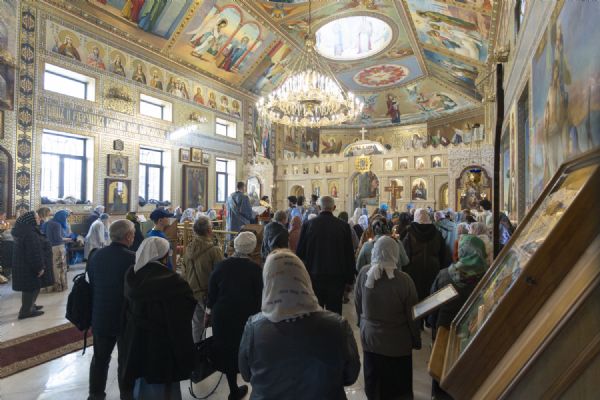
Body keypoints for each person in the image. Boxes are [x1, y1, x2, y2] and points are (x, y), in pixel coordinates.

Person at [239, 250, 361, 398]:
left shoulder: (254, 328)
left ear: (268, 282)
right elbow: (351, 376)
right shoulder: (337, 326)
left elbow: (246, 374)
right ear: (304, 278)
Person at [120, 237, 195, 400]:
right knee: (164, 386)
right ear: (164, 256)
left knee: (141, 378)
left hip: (136, 339)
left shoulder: (132, 275)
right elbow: (184, 313)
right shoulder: (173, 281)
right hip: (162, 343)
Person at [355, 237, 421, 400]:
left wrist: (363, 324)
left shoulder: (364, 274)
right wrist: (416, 339)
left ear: (375, 251)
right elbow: (412, 315)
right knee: (397, 389)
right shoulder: (404, 280)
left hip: (371, 339)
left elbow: (358, 303)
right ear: (395, 253)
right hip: (398, 343)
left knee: (374, 382)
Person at [429, 235, 489, 399]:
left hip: (444, 330)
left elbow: (433, 306)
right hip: (472, 332)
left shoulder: (445, 275)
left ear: (461, 252)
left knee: (441, 369)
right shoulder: (487, 277)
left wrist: (433, 327)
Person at [206, 232, 262, 400]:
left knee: (227, 351)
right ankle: (258, 391)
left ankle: (233, 390)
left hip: (222, 316)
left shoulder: (221, 266)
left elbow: (212, 293)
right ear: (252, 248)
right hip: (247, 317)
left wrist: (208, 313)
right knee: (249, 351)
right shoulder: (255, 269)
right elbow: (261, 297)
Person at [87, 220, 136, 400]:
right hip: (125, 317)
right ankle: (127, 395)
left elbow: (91, 283)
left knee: (100, 359)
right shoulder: (133, 258)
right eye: (133, 233)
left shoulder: (96, 255)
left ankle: (95, 395)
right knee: (126, 360)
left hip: (101, 314)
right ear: (128, 236)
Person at [296, 196, 355, 314]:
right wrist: (349, 280)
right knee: (334, 315)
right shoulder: (343, 226)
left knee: (315, 314)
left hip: (314, 277)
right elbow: (349, 254)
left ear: (318, 207)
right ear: (334, 207)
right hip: (337, 278)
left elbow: (300, 253)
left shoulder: (308, 225)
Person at [182, 216, 223, 343]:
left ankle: (197, 349)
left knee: (196, 325)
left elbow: (184, 271)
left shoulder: (188, 248)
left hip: (192, 292)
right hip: (208, 294)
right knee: (216, 323)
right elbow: (220, 275)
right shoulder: (214, 250)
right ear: (209, 230)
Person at [11, 211, 53, 319]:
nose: (39, 219)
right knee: (30, 288)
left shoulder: (26, 230)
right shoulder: (30, 233)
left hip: (25, 265)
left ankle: (31, 306)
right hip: (29, 267)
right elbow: (34, 252)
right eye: (37, 218)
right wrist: (39, 267)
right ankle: (26, 311)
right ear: (30, 220)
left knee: (33, 287)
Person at [402, 208, 446, 301]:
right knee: (431, 294)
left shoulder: (410, 233)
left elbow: (406, 253)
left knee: (416, 293)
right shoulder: (437, 233)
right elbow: (443, 253)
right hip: (433, 267)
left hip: (414, 268)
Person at [43, 210, 72, 292]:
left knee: (53, 267)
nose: (66, 219)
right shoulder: (57, 224)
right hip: (58, 248)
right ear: (62, 217)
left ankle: (53, 286)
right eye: (65, 217)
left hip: (50, 247)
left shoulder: (49, 222)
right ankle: (60, 286)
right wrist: (69, 239)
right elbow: (58, 238)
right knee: (60, 268)